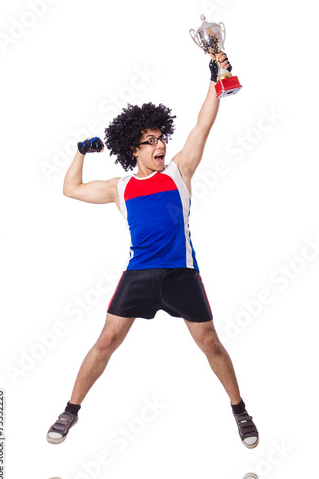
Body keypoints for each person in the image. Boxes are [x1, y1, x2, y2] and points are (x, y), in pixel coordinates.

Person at [46, 52, 259, 449]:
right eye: (152, 141)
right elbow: (70, 189)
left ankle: (240, 411)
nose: (161, 144)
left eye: (163, 138)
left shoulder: (180, 171)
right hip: (139, 274)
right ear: (135, 150)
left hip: (181, 272)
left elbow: (203, 124)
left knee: (210, 341)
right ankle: (70, 411)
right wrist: (80, 152)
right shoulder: (120, 187)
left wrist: (215, 78)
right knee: (107, 340)